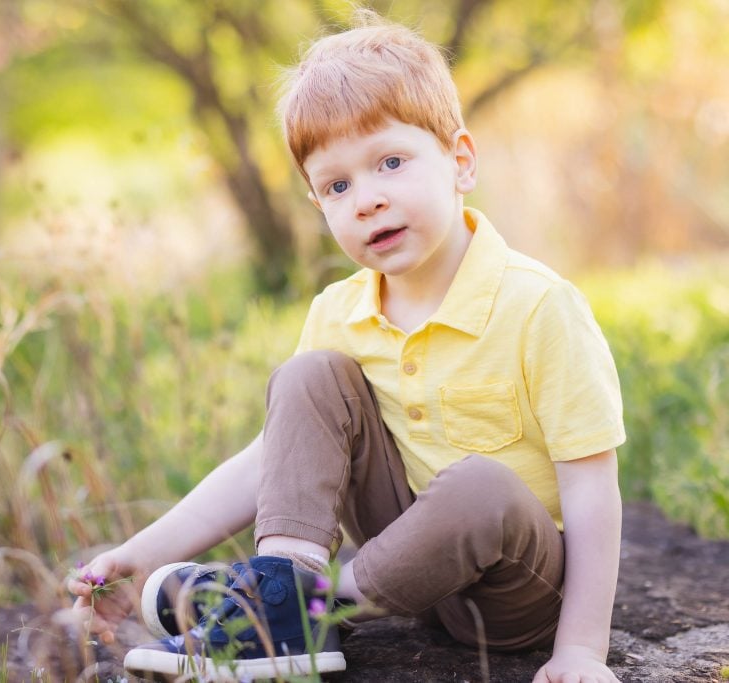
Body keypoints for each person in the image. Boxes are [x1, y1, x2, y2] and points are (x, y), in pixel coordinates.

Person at [68, 11, 625, 682]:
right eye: (338, 185)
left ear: (460, 160)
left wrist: (581, 650)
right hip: (406, 577)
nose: (367, 199)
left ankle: (289, 607)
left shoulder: (538, 305)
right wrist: (137, 552)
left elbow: (592, 487)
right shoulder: (340, 311)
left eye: (391, 161)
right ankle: (280, 595)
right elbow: (272, 459)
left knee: (481, 483)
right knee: (308, 377)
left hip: (517, 595)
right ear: (317, 201)